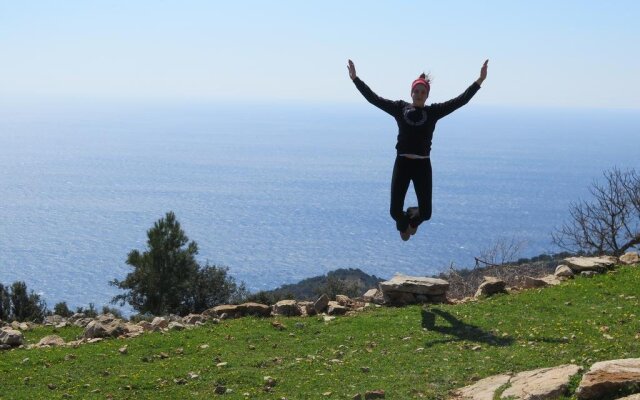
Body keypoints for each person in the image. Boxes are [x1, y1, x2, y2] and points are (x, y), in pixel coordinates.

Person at [348, 59, 488, 241]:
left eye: (423, 92)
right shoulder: (399, 108)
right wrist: (355, 79)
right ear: (411, 92)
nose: (419, 94)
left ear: (427, 95)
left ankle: (410, 221)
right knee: (394, 213)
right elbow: (374, 99)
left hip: (422, 164)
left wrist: (480, 80)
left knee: (427, 214)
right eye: (416, 91)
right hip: (403, 163)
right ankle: (406, 222)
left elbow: (460, 101)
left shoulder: (433, 112)